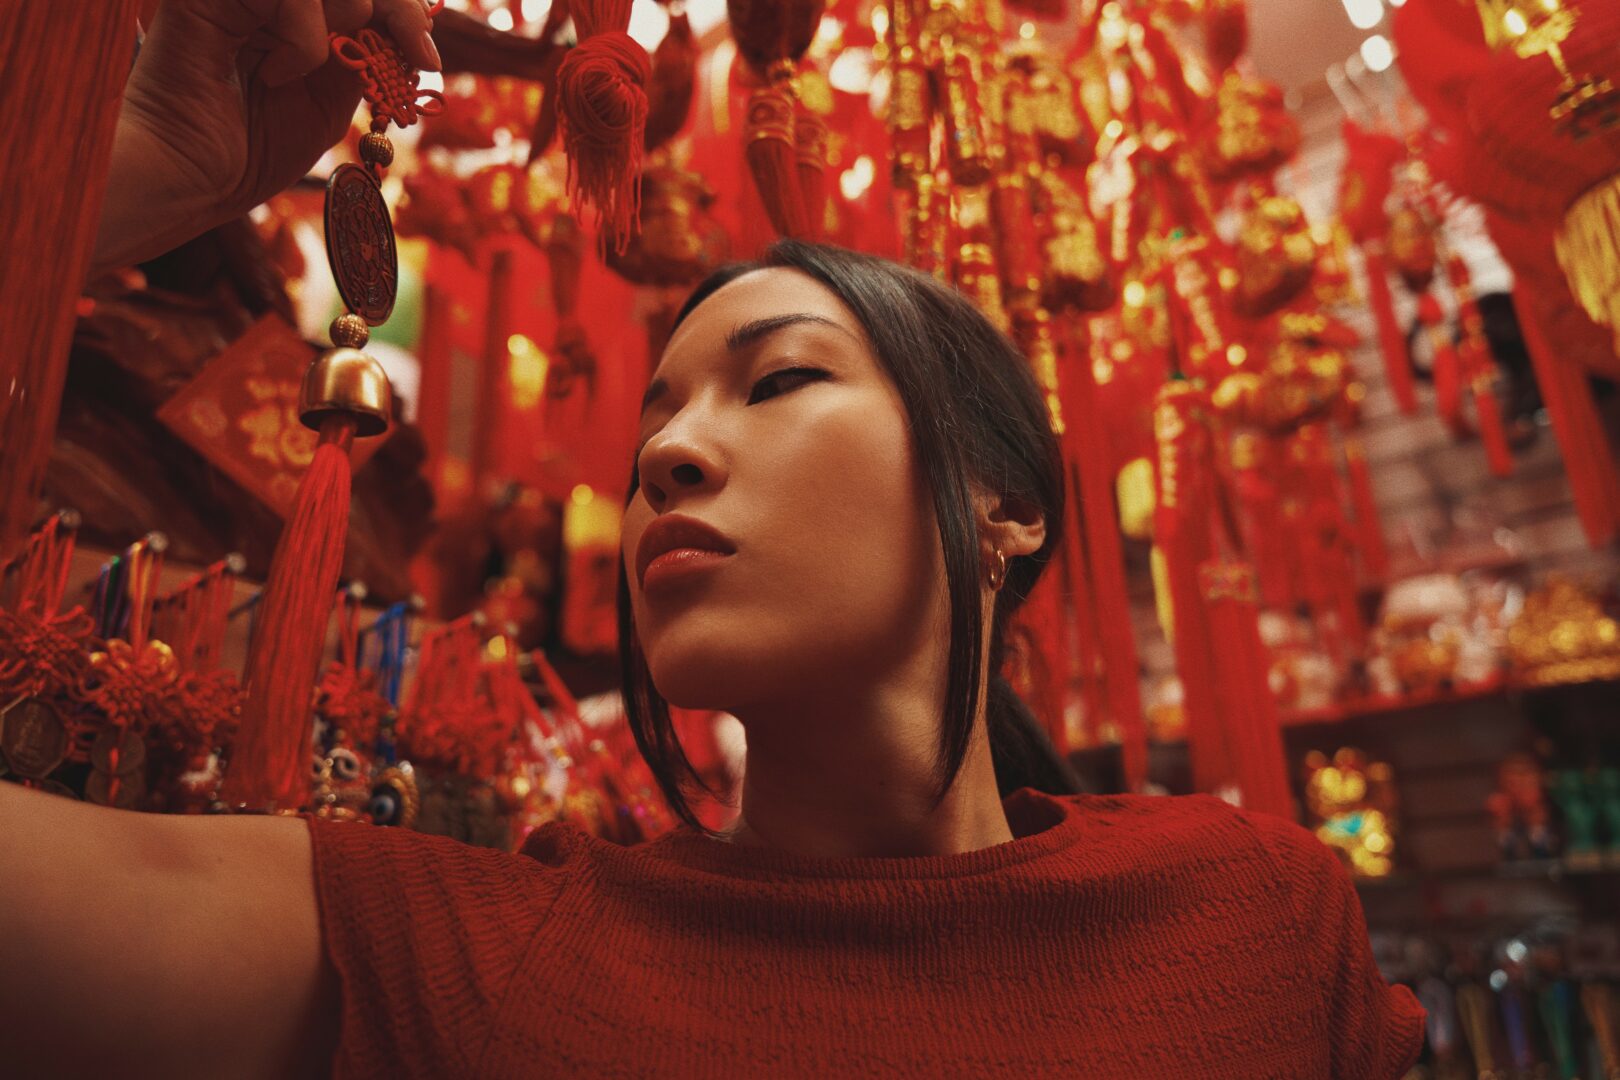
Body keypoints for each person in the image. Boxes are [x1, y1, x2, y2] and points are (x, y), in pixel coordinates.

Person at [5, 1, 1426, 1076]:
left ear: (1004, 503)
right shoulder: (474, 950)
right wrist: (125, 173)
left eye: (781, 379)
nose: (665, 456)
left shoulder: (1258, 914)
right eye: (652, 425)